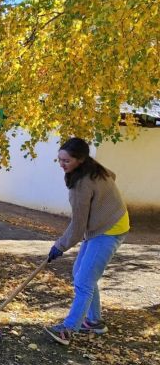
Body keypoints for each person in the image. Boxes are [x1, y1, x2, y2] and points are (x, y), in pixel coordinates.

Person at [44, 137, 129, 345]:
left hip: (109, 230)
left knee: (84, 281)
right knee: (80, 274)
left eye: (66, 161)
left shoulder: (81, 186)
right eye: (60, 160)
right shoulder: (95, 168)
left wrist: (60, 246)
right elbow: (113, 176)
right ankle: (94, 321)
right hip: (104, 225)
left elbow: (78, 225)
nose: (62, 165)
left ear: (80, 160)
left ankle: (68, 329)